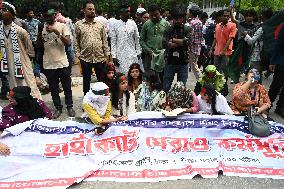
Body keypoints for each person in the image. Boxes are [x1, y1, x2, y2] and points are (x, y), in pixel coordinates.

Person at [0, 2, 41, 99]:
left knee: (29, 84)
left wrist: (26, 62)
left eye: (5, 10)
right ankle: (20, 108)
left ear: (12, 14)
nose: (1, 12)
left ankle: (36, 104)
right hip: (8, 64)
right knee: (14, 85)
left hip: (22, 63)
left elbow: (30, 49)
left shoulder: (20, 31)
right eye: (1, 10)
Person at [40, 7, 75, 118]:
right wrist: (38, 38)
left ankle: (70, 107)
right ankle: (58, 108)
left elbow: (68, 43)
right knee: (54, 89)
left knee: (67, 87)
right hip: (49, 64)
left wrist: (56, 32)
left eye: (50, 15)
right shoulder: (41, 27)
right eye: (45, 16)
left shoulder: (62, 26)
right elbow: (39, 44)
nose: (48, 18)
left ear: (55, 15)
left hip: (62, 63)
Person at [74, 0, 110, 95]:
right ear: (84, 10)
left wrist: (106, 56)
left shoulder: (100, 24)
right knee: (86, 81)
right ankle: (87, 101)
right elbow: (76, 41)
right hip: (85, 58)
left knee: (101, 81)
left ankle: (102, 100)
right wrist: (78, 55)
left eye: (93, 9)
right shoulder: (78, 25)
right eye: (89, 9)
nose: (92, 11)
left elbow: (105, 41)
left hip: (99, 58)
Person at [162, 5, 191, 92]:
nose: (178, 21)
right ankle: (164, 103)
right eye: (176, 18)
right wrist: (181, 42)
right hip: (170, 61)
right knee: (166, 86)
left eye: (180, 18)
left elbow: (188, 42)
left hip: (183, 62)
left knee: (181, 88)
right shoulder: (168, 29)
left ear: (183, 18)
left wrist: (173, 40)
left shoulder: (187, 29)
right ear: (173, 18)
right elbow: (164, 44)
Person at [109, 3, 142, 75]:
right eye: (127, 11)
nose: (129, 13)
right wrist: (114, 56)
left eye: (129, 11)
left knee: (133, 75)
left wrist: (138, 52)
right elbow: (113, 41)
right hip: (120, 56)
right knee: (122, 77)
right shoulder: (115, 25)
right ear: (121, 12)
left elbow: (137, 39)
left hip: (132, 54)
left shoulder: (133, 23)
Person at [140, 4, 169, 79]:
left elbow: (170, 39)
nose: (154, 17)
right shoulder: (146, 25)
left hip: (163, 56)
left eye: (156, 14)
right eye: (151, 15)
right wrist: (147, 50)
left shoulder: (166, 24)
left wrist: (166, 51)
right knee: (150, 78)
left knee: (163, 78)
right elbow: (141, 40)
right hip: (149, 56)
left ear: (160, 13)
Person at [209, 9, 237, 74]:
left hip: (226, 52)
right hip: (217, 51)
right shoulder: (217, 25)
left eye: (228, 16)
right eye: (224, 16)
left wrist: (224, 50)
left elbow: (230, 39)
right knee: (216, 70)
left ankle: (224, 83)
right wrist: (211, 49)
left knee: (225, 70)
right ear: (221, 16)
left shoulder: (233, 25)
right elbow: (215, 39)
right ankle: (216, 83)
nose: (226, 17)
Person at [268, 23, 284, 118]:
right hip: (282, 62)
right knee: (276, 86)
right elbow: (278, 43)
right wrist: (273, 61)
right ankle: (267, 105)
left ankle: (280, 108)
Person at [187, 5, 203, 79]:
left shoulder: (192, 22)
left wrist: (189, 45)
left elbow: (191, 36)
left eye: (189, 12)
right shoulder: (199, 22)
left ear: (191, 13)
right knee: (195, 66)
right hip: (198, 47)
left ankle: (202, 82)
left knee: (194, 67)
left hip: (193, 47)